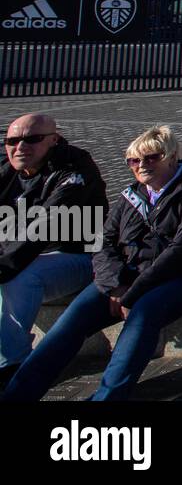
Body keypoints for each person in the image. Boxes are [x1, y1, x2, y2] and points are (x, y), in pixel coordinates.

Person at [3, 126, 182, 402]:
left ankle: (108, 397)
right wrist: (115, 285)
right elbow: (103, 242)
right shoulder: (130, 195)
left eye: (151, 157)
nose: (142, 165)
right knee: (72, 321)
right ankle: (16, 394)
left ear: (171, 158)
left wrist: (131, 292)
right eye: (134, 160)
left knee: (143, 315)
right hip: (125, 278)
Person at [0, 115, 108, 387]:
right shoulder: (8, 170)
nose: (20, 147)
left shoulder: (74, 169)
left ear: (54, 140)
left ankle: (12, 364)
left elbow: (43, 228)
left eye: (32, 139)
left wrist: (2, 266)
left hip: (80, 257)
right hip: (24, 255)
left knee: (18, 279)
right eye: (12, 141)